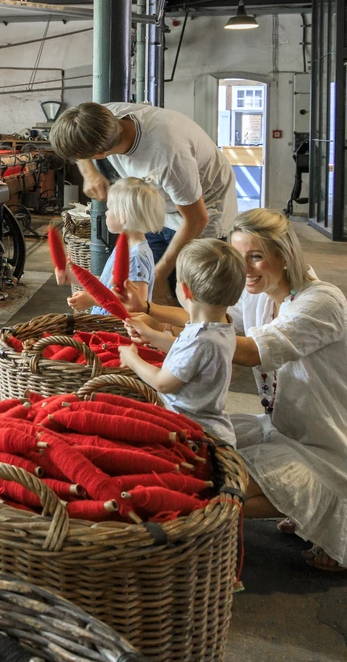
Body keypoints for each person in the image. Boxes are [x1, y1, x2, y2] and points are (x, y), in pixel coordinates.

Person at [118, 209, 347, 573]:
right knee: (189, 462)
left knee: (214, 489)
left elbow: (250, 350)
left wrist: (156, 345)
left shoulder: (322, 301)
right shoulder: (258, 292)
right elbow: (213, 317)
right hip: (281, 423)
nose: (245, 269)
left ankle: (324, 510)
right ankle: (303, 507)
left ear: (285, 254)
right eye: (240, 258)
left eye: (256, 256)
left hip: (323, 440)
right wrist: (148, 310)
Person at [50, 101, 238, 299]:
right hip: (160, 203)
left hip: (203, 208)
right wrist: (89, 172)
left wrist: (160, 274)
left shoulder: (168, 156)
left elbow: (197, 219)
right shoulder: (101, 116)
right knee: (148, 285)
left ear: (99, 154)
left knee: (192, 291)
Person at [120, 239, 245, 444]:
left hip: (194, 435)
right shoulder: (220, 326)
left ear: (185, 290)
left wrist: (131, 359)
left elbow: (163, 383)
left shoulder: (202, 339)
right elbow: (188, 354)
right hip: (205, 428)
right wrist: (151, 335)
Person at [61, 176, 165, 314]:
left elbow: (136, 305)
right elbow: (106, 283)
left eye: (109, 209)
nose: (106, 213)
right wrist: (72, 277)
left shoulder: (136, 257)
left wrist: (92, 300)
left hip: (116, 326)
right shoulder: (126, 248)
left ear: (123, 216)